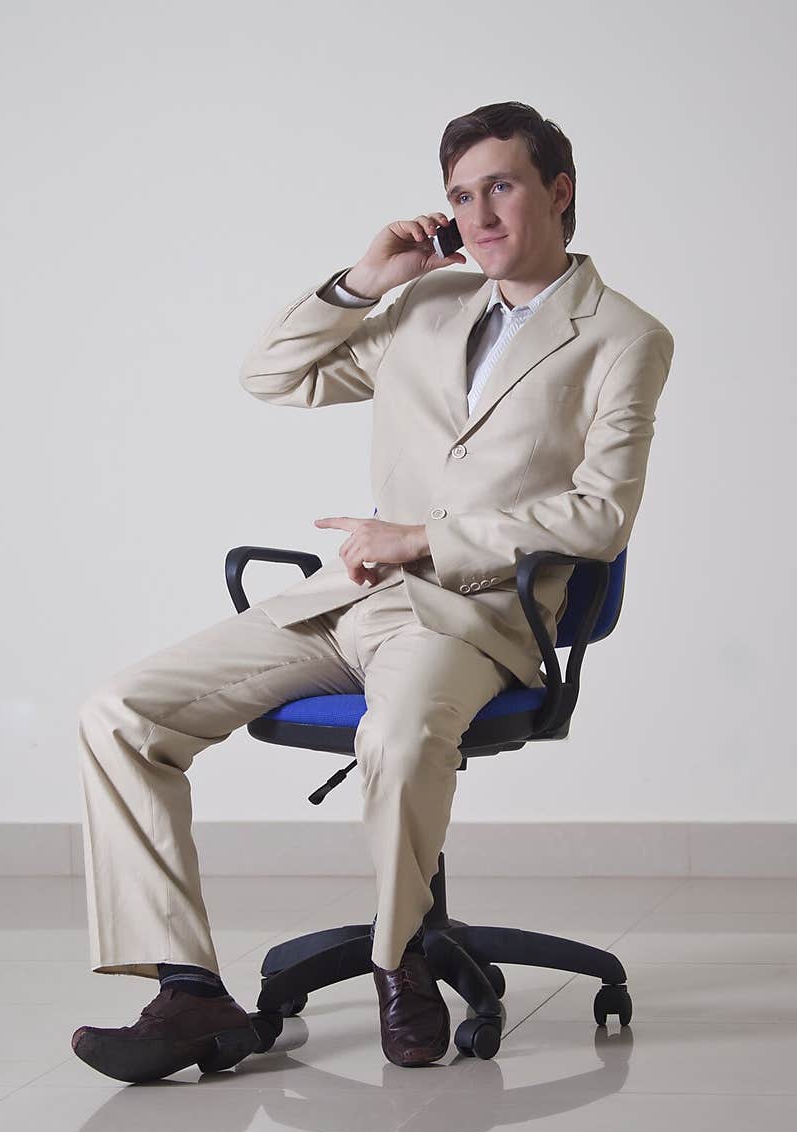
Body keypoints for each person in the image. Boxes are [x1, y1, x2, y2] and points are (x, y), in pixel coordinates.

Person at [71, 100, 675, 1082]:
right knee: (117, 712)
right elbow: (270, 374)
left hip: (478, 615)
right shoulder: (422, 309)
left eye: (501, 186)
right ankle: (189, 993)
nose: (477, 213)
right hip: (347, 602)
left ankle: (400, 964)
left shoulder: (622, 335)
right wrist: (363, 281)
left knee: (391, 738)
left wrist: (423, 539)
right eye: (457, 195)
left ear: (559, 191)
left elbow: (599, 517)